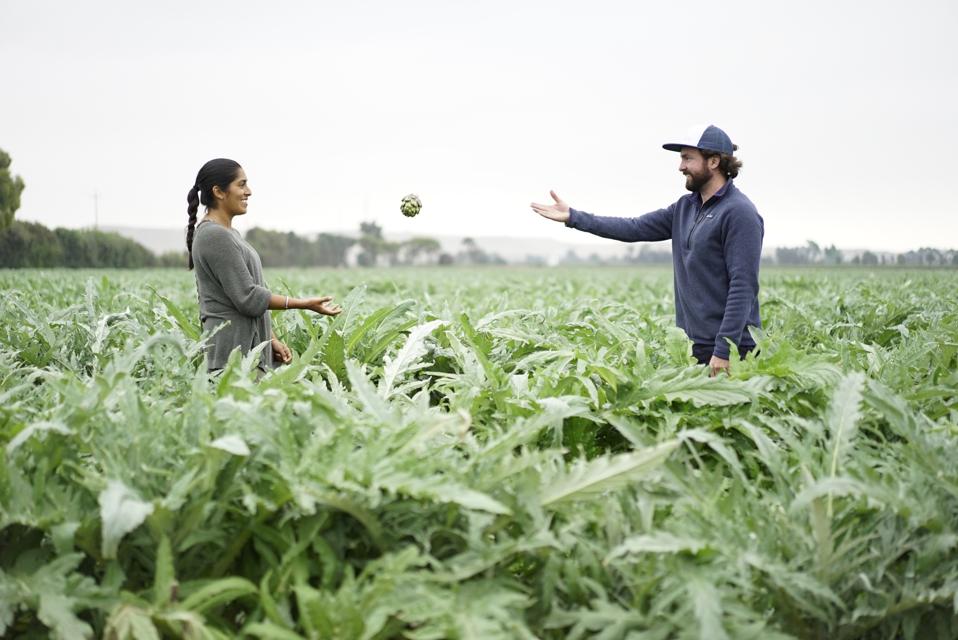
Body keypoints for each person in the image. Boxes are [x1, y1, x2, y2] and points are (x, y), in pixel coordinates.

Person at [531, 125, 763, 376]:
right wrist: (573, 217)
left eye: (688, 158)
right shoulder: (685, 207)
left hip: (733, 351)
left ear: (714, 161)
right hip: (696, 345)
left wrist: (724, 350)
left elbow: (743, 286)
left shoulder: (739, 213)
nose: (681, 166)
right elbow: (634, 228)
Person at [186, 158, 342, 373]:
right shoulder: (214, 236)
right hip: (233, 357)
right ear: (219, 192)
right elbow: (248, 298)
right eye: (241, 184)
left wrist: (270, 339)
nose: (248, 191)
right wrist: (304, 304)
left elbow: (249, 296)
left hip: (249, 352)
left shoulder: (229, 234)